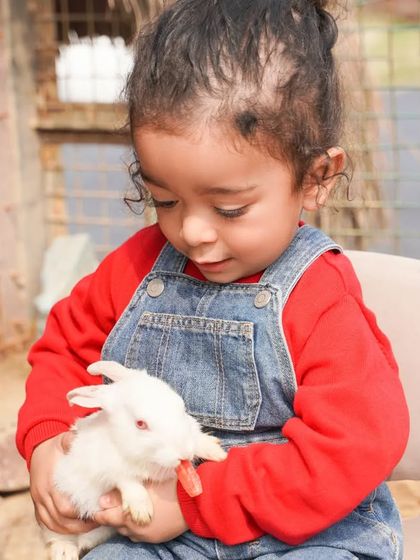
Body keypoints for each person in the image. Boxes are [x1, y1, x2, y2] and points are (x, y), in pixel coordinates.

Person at [17, 0, 409, 558]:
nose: (194, 232)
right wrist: (47, 442)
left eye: (229, 209)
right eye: (166, 200)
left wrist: (196, 502)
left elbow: (354, 446)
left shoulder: (319, 299)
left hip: (308, 534)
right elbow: (63, 350)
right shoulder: (136, 267)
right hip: (155, 529)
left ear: (317, 177)